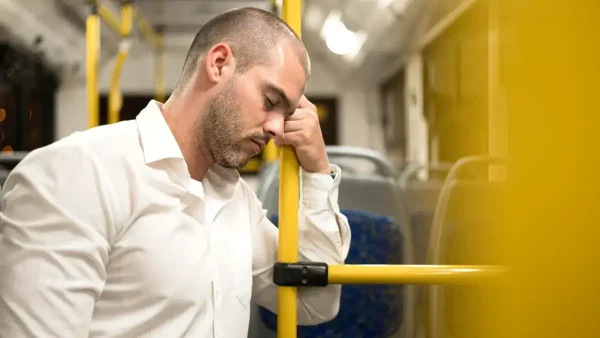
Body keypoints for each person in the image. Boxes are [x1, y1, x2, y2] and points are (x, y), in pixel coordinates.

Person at [0, 7, 351, 338]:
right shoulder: (79, 174)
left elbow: (313, 303)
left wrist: (317, 171)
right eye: (271, 102)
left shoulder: (235, 200)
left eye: (287, 114)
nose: (277, 129)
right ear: (218, 64)